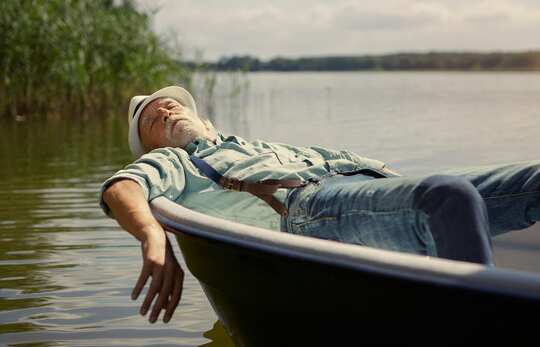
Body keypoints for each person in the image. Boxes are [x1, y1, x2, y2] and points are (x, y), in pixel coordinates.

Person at [100, 86, 540, 324]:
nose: (164, 113)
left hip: (361, 190)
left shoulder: (264, 145)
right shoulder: (174, 160)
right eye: (153, 121)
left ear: (205, 120)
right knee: (448, 199)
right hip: (310, 209)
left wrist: (397, 192)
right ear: (150, 147)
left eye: (171, 106)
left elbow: (361, 164)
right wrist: (153, 235)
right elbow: (122, 189)